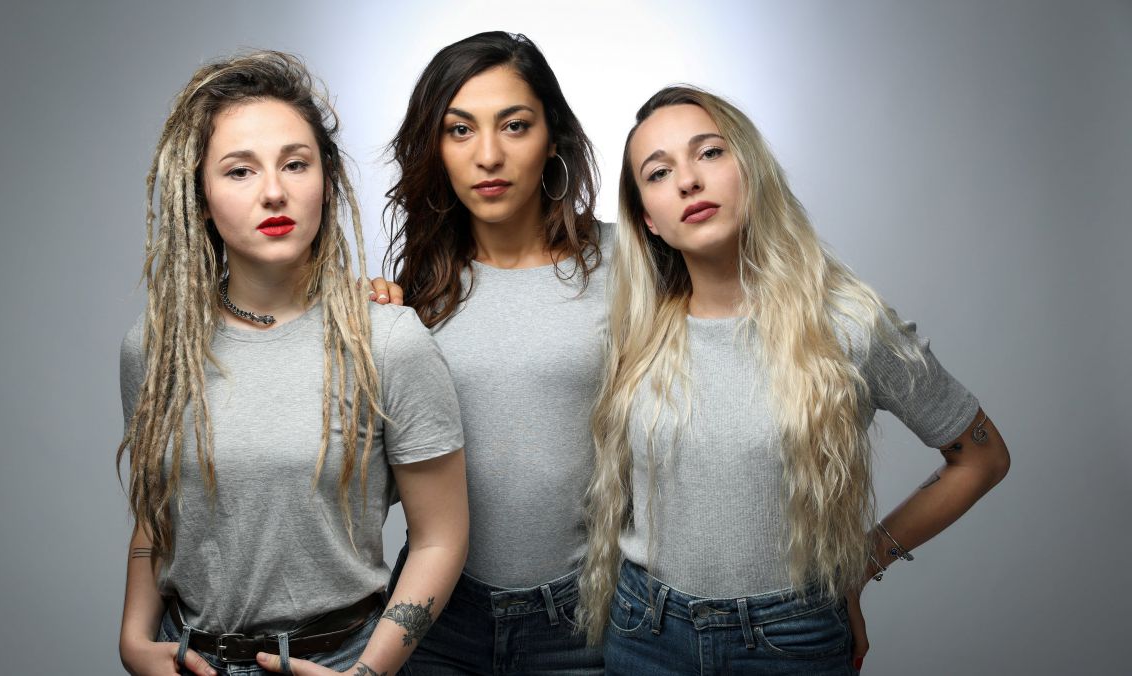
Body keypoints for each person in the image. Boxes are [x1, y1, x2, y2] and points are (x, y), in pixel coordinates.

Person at [577, 86, 1011, 675]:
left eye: (710, 153)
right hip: (645, 634)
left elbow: (982, 458)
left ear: (751, 171)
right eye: (659, 172)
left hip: (793, 639)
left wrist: (864, 563)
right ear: (648, 220)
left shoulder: (848, 324)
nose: (688, 181)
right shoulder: (633, 330)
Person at [116, 51, 468, 676]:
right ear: (200, 198)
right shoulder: (158, 346)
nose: (274, 191)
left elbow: (441, 538)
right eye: (239, 171)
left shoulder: (388, 340)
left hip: (339, 661)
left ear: (325, 182)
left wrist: (368, 673)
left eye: (295, 164)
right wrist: (133, 639)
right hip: (190, 659)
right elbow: (158, 512)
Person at [381, 31, 606, 674]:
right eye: (460, 130)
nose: (488, 155)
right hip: (438, 618)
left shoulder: (629, 268)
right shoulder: (413, 293)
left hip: (583, 621)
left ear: (552, 137)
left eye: (514, 125)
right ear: (435, 148)